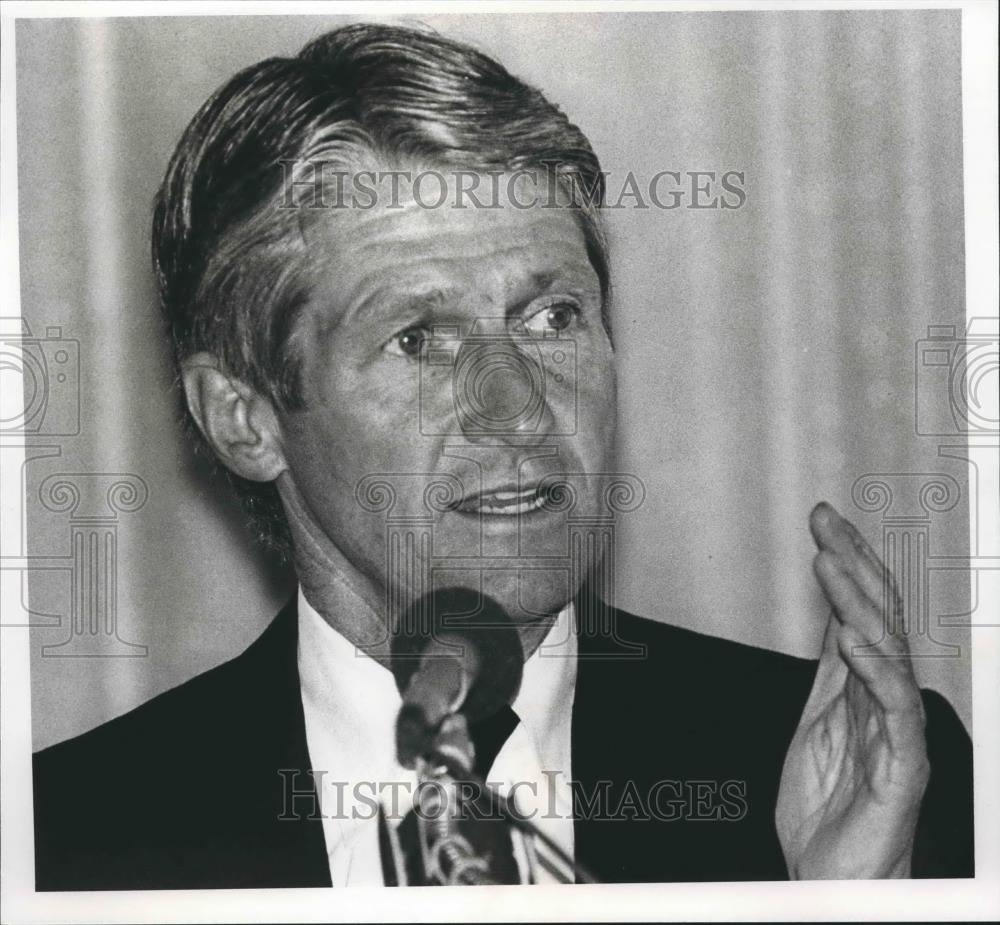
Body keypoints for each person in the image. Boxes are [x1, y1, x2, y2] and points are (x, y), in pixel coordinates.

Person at [33, 22, 973, 890]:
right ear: (245, 420)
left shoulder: (867, 779)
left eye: (552, 316)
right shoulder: (68, 841)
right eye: (419, 338)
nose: (518, 408)